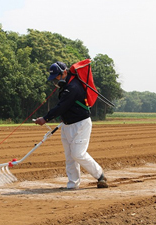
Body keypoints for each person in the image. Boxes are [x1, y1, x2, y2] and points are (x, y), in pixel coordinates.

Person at [34, 61, 108, 189]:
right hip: (67, 125)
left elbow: (62, 106)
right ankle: (72, 184)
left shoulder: (72, 86)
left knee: (78, 154)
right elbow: (67, 107)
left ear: (64, 72)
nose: (56, 80)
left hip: (80, 124)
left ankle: (100, 175)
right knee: (70, 157)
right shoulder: (65, 86)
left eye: (57, 76)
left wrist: (45, 118)